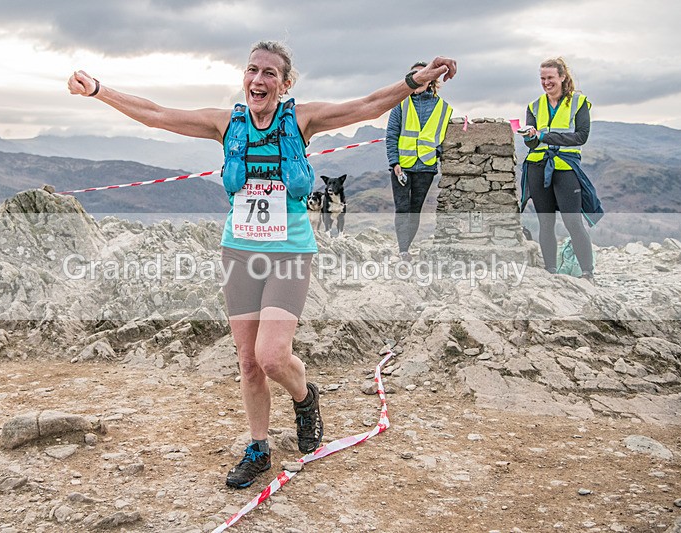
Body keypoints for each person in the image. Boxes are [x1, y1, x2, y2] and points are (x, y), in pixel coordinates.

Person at [68, 41, 456, 489]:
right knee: (248, 363)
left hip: (290, 251)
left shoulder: (302, 119)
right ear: (244, 78)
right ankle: (258, 447)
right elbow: (157, 113)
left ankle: (305, 395)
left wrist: (415, 82)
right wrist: (99, 90)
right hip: (239, 251)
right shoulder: (225, 124)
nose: (259, 79)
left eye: (270, 73)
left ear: (285, 84)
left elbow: (367, 105)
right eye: (253, 70)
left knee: (272, 356)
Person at [519, 57, 603, 281]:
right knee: (545, 222)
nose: (546, 83)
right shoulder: (534, 106)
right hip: (538, 166)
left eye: (550, 78)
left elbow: (581, 137)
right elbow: (533, 144)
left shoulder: (578, 102)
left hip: (565, 166)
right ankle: (551, 271)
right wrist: (530, 137)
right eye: (542, 78)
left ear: (562, 77)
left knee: (572, 221)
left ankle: (587, 273)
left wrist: (544, 136)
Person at [385, 61, 453, 262]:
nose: (418, 78)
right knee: (402, 208)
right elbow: (392, 135)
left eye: (423, 74)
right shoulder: (400, 105)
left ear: (431, 78)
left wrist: (437, 152)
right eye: (414, 75)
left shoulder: (443, 108)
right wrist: (394, 163)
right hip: (402, 167)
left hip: (426, 167)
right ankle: (403, 249)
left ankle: (406, 247)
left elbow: (445, 137)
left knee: (415, 209)